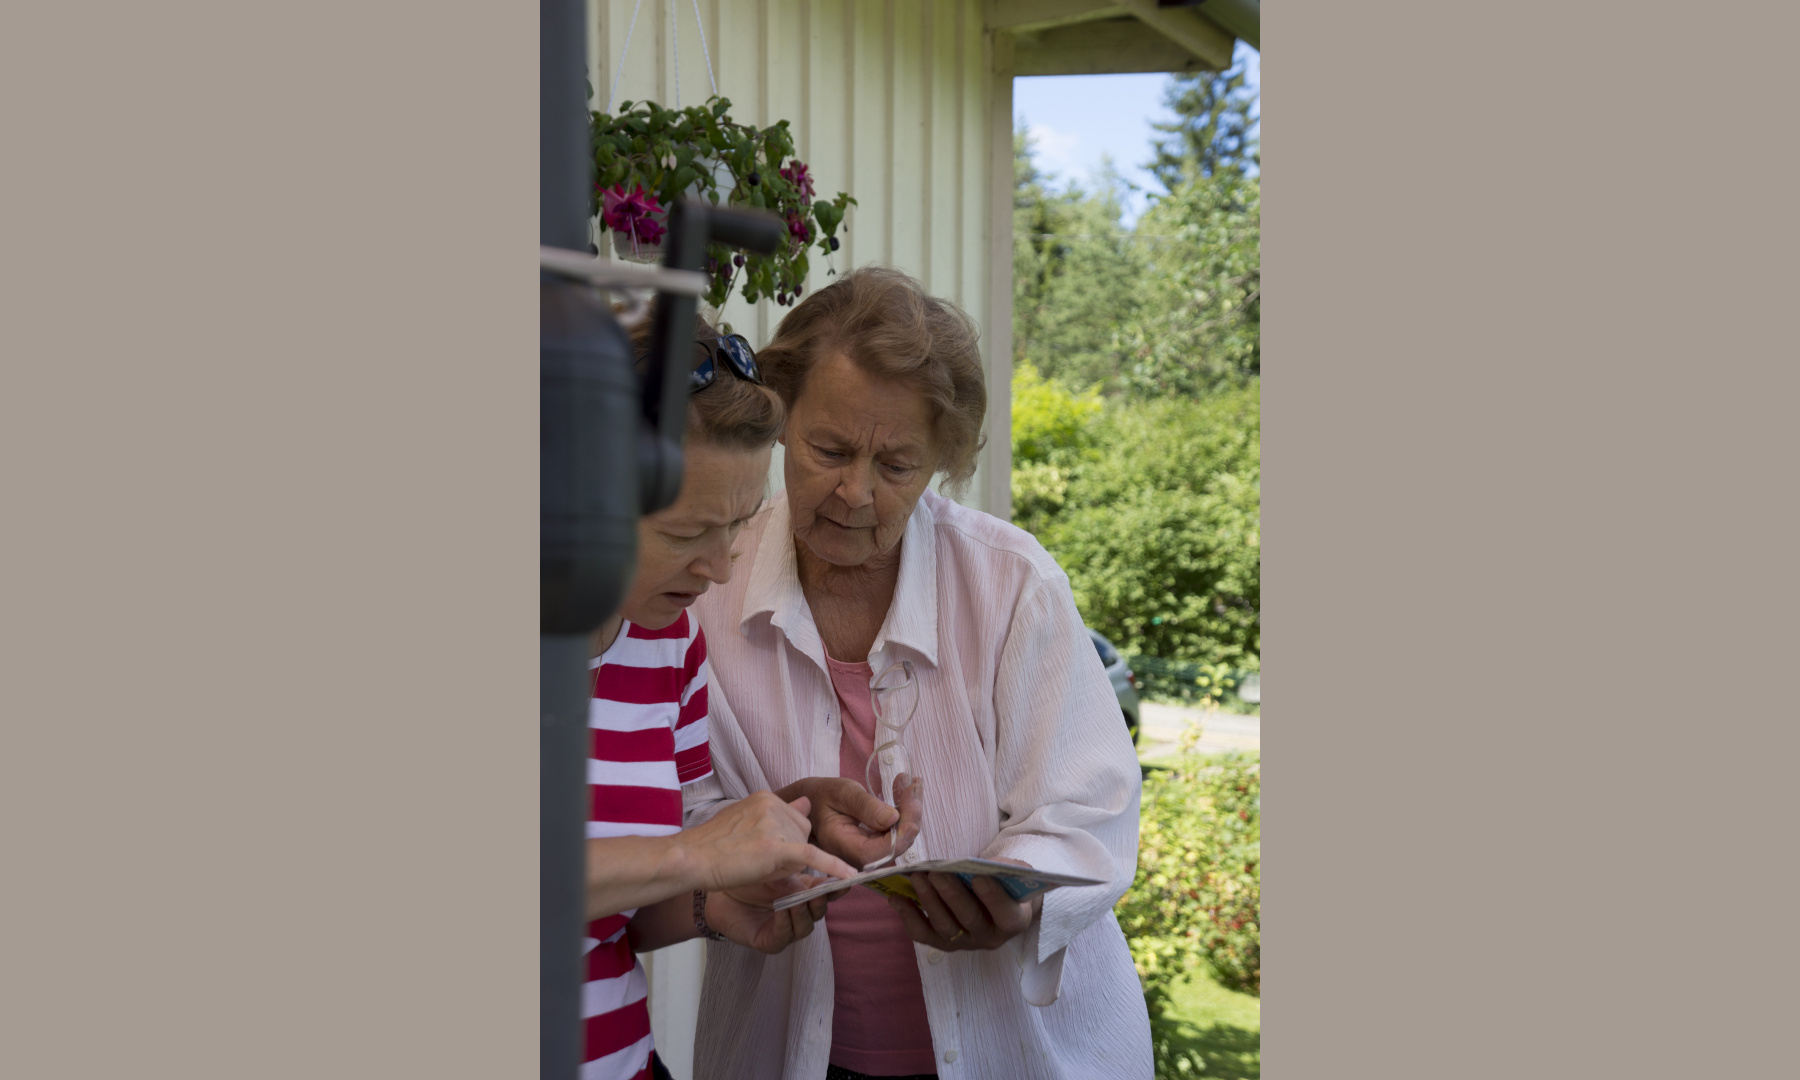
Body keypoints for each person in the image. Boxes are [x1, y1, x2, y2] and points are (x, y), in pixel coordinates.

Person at [685, 267, 1153, 1080]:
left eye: (897, 464)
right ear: (782, 422)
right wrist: (776, 831)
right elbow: (676, 813)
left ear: (942, 459)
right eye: (829, 449)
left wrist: (1021, 903)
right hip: (790, 1049)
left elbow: (1093, 808)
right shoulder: (705, 585)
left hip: (1020, 1053)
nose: (855, 492)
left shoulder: (1011, 582)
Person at [583, 310, 912, 1080]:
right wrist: (693, 851)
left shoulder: (667, 646)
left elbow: (609, 911)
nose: (720, 570)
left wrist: (717, 895)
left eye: (735, 527)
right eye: (684, 532)